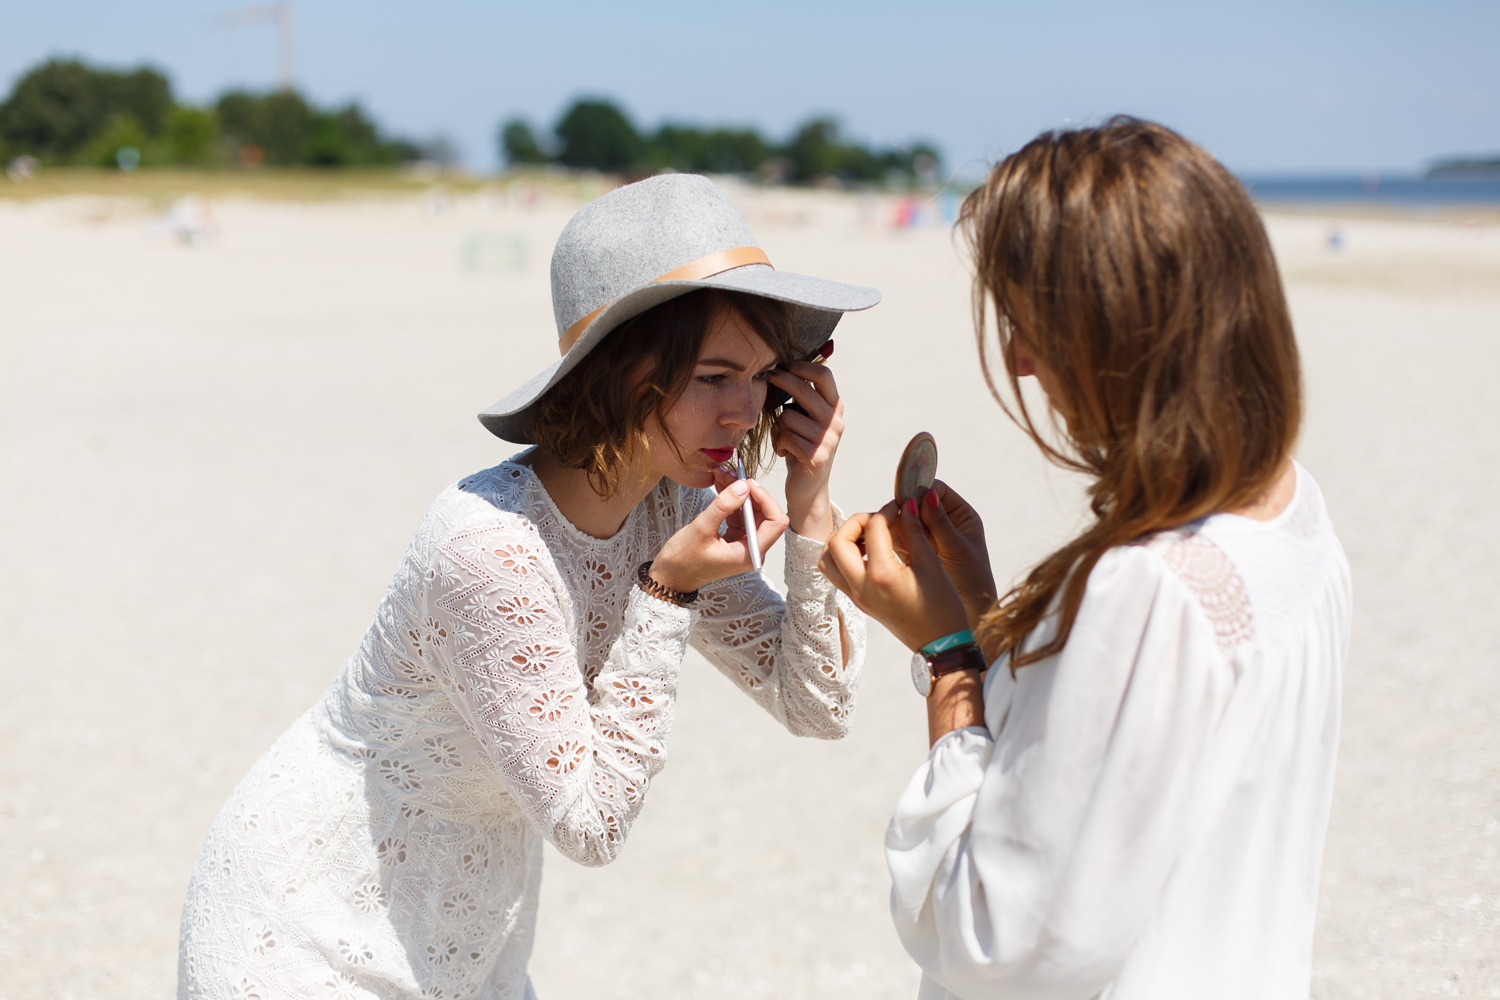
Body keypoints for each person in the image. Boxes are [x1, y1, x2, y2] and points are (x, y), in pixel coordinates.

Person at [178, 174, 879, 999]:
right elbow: (592, 824)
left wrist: (812, 509)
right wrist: (665, 595)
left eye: (762, 376)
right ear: (617, 373)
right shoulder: (488, 551)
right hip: (297, 926)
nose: (743, 411)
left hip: (476, 930)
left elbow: (817, 705)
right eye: (710, 377)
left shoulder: (673, 506)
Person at [820, 118, 1351, 999]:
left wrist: (950, 654)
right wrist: (987, 608)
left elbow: (996, 943)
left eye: (1034, 324)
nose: (1021, 361)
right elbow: (1133, 769)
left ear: (1126, 334)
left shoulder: (1148, 585)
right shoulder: (1294, 511)